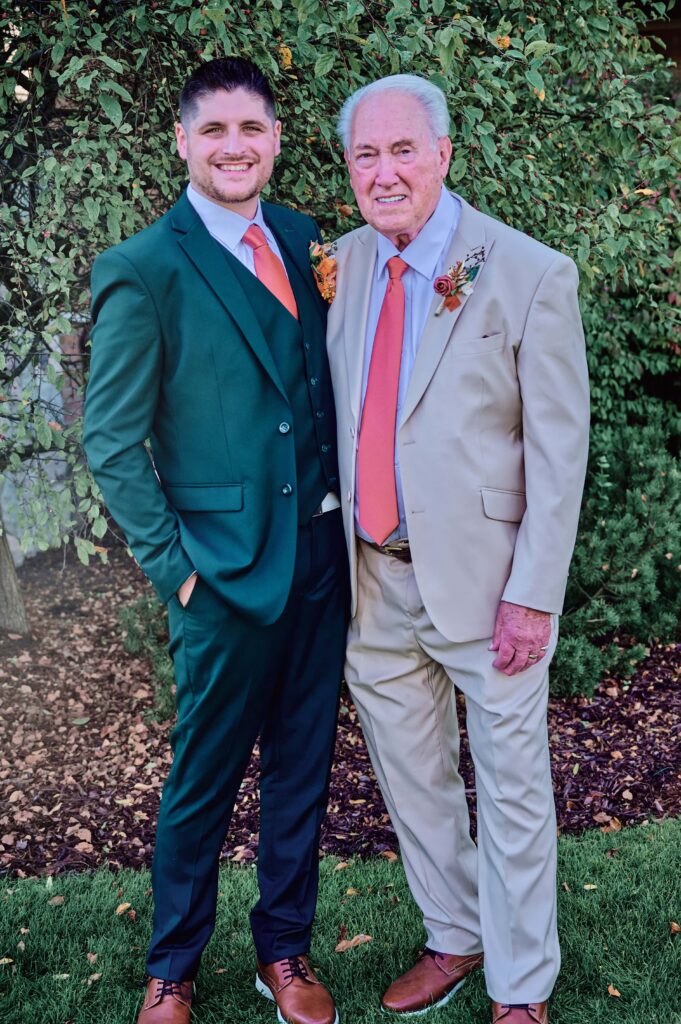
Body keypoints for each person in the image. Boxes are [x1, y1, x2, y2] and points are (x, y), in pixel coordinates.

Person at [84, 57, 347, 1024]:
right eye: (215, 132)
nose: (235, 148)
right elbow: (110, 443)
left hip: (322, 565)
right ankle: (172, 969)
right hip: (221, 578)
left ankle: (285, 951)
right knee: (201, 783)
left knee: (303, 771)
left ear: (275, 140)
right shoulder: (143, 267)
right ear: (184, 144)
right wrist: (177, 573)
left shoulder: (306, 238)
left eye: (252, 130)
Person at [325, 74, 590, 1024]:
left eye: (403, 150)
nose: (384, 171)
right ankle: (454, 934)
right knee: (412, 777)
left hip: (489, 590)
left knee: (512, 790)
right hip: (371, 580)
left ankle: (522, 990)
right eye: (366, 154)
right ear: (349, 167)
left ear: (443, 152)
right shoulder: (345, 262)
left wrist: (535, 593)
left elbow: (561, 451)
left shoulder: (525, 271)